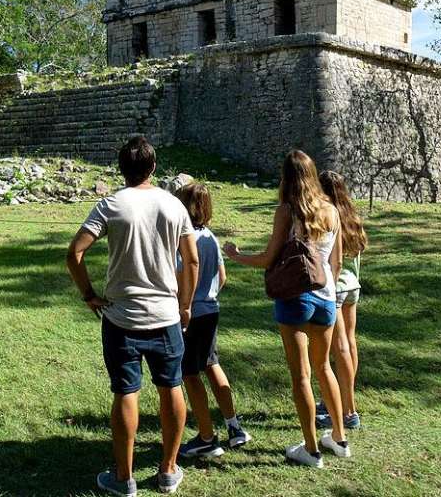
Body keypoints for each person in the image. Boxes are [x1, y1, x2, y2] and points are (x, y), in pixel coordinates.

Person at [66, 136, 199, 496]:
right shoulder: (173, 206)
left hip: (121, 317)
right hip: (165, 314)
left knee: (126, 392)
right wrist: (185, 304)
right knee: (171, 386)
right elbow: (192, 260)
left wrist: (89, 295)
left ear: (121, 169)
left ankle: (124, 479)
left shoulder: (111, 205)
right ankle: (168, 470)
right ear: (153, 167)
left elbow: (74, 253)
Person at [223, 150, 350, 468]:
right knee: (324, 368)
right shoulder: (332, 211)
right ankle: (338, 437)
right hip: (326, 296)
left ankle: (311, 449)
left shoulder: (287, 210)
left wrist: (236, 255)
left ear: (287, 177)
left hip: (296, 296)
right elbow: (335, 262)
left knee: (302, 376)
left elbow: (268, 258)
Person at [172, 183, 252, 460]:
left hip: (189, 314)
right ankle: (234, 427)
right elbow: (223, 277)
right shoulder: (210, 237)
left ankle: (206, 437)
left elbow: (180, 276)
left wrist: (184, 302)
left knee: (190, 374)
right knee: (212, 365)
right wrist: (209, 293)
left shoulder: (183, 240)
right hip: (211, 310)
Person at [315, 170, 367, 432]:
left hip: (335, 288)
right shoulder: (353, 217)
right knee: (350, 344)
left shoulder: (328, 217)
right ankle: (338, 400)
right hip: (353, 285)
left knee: (340, 348)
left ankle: (348, 410)